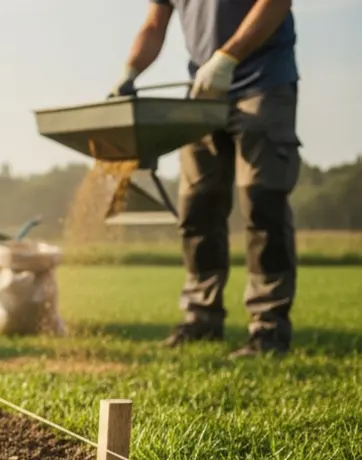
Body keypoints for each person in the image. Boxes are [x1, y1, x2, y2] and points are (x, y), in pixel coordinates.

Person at [113, 0, 300, 358]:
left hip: (263, 83)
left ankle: (269, 329)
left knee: (263, 202)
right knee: (197, 207)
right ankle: (201, 318)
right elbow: (155, 24)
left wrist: (228, 56)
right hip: (203, 91)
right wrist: (130, 72)